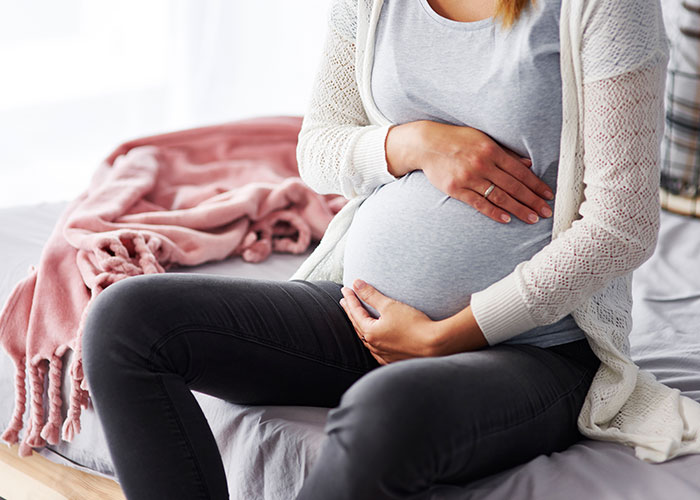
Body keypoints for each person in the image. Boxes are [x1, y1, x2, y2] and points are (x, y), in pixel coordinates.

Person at [81, 0, 683, 499]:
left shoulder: (604, 6)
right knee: (125, 321)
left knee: (383, 413)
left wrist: (449, 336)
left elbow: (620, 226)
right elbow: (318, 146)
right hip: (360, 316)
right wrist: (413, 144)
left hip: (534, 350)